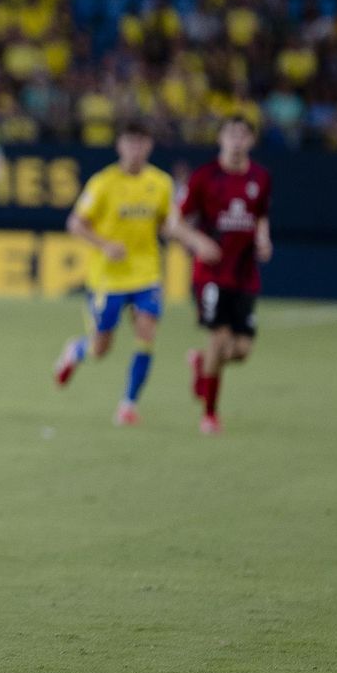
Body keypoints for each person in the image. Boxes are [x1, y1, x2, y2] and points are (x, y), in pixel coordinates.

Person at [54, 121, 220, 425]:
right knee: (101, 348)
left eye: (140, 142)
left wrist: (193, 242)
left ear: (149, 146)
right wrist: (104, 245)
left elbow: (169, 224)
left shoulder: (160, 183)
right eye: (129, 142)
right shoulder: (103, 182)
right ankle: (75, 350)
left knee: (146, 334)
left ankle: (128, 405)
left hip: (146, 274)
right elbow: (75, 223)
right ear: (120, 146)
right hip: (108, 277)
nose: (135, 149)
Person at [180, 115, 273, 435]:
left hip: (245, 273)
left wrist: (263, 238)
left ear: (251, 141)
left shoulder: (261, 178)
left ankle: (200, 364)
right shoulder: (204, 177)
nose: (236, 140)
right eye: (230, 134)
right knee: (219, 338)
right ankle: (210, 414)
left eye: (242, 135)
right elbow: (177, 222)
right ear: (220, 139)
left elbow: (260, 216)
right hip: (211, 273)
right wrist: (198, 242)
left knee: (241, 351)